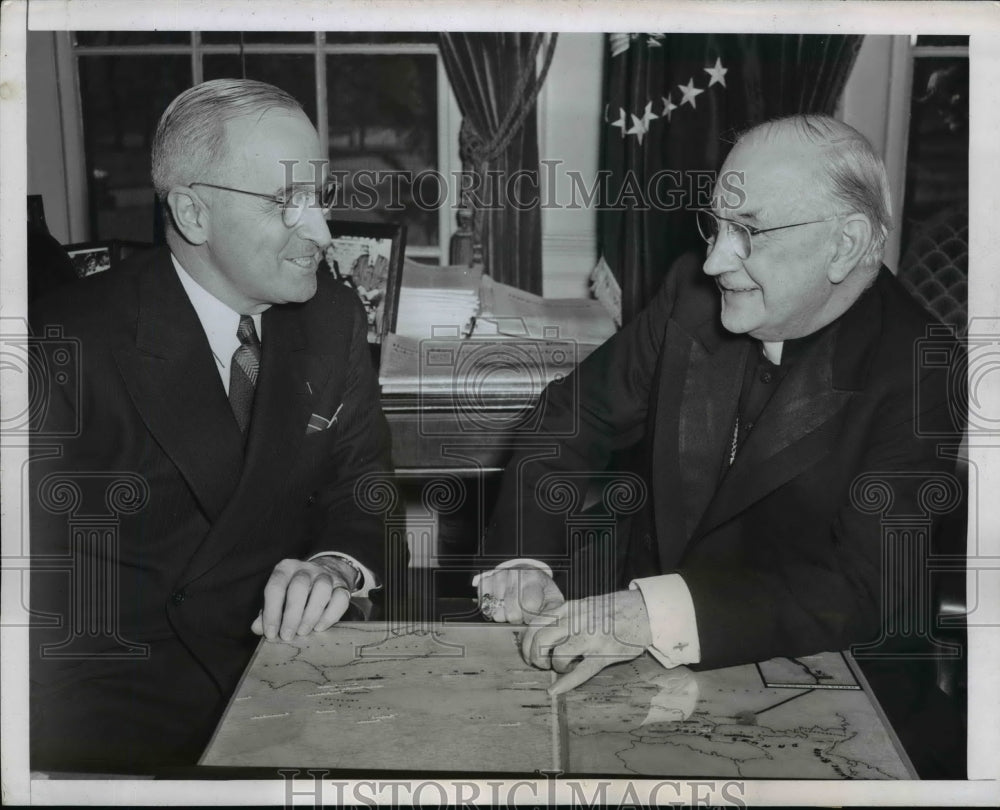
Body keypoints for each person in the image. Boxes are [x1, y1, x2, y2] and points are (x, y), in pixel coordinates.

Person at [475, 114, 962, 697]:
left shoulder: (921, 366)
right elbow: (569, 419)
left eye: (748, 232)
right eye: (716, 226)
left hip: (817, 676)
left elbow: (863, 589)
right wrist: (524, 559)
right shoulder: (695, 292)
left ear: (845, 244)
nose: (714, 261)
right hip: (638, 625)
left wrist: (654, 615)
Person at [28, 79, 404, 771]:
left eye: (319, 198)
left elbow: (365, 487)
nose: (322, 233)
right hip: (125, 705)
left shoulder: (332, 318)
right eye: (286, 203)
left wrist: (336, 567)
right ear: (194, 214)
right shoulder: (60, 345)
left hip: (297, 668)